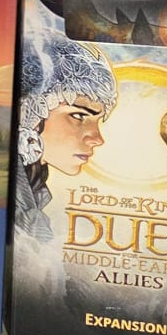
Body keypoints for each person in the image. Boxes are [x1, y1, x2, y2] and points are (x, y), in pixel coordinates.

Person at [13, 36, 116, 240]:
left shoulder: (32, 186)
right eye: (78, 116)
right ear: (29, 111)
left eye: (97, 121)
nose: (97, 139)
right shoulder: (9, 192)